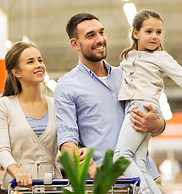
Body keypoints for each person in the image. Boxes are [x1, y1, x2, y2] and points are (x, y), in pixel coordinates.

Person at [113, 9, 182, 193]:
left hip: (143, 107)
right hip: (135, 107)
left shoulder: (161, 57)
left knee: (121, 158)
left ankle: (143, 192)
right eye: (148, 31)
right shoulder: (128, 57)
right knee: (139, 164)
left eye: (158, 32)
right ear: (135, 33)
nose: (155, 37)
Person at [54, 13, 166, 183]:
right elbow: (67, 143)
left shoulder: (127, 74)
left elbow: (158, 122)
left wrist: (156, 124)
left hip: (146, 176)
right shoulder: (67, 86)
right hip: (106, 182)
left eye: (102, 32)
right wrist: (94, 172)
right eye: (91, 35)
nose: (100, 39)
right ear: (75, 43)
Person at [0, 42, 62, 193]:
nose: (39, 65)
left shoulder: (56, 105)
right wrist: (18, 175)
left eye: (40, 60)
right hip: (18, 188)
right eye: (31, 62)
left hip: (52, 186)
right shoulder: (4, 105)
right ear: (17, 72)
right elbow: (2, 149)